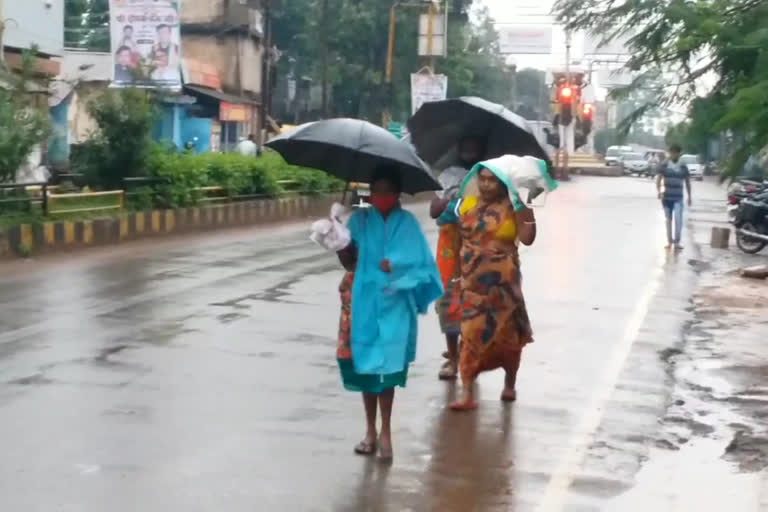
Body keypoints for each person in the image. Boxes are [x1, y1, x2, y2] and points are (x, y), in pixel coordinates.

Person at [337, 167, 443, 461]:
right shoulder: (359, 221)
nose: (380, 197)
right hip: (364, 303)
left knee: (390, 370)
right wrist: (337, 236)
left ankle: (386, 432)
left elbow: (424, 266)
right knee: (368, 370)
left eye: (386, 191)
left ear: (397, 194)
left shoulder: (408, 223)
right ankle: (370, 430)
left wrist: (396, 265)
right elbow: (348, 262)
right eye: (376, 191)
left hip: (397, 306)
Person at [449, 164, 537, 411]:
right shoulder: (467, 204)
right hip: (472, 284)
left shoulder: (514, 206)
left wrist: (526, 207)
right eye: (483, 179)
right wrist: (456, 278)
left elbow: (528, 238)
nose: (487, 184)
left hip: (504, 288)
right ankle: (467, 392)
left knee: (508, 339)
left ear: (503, 183)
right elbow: (458, 241)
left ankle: (510, 383)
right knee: (470, 335)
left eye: (493, 180)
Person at [429, 136, 485, 380]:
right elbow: (434, 210)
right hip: (449, 249)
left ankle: (468, 354)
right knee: (448, 302)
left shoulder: (488, 176)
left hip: (477, 247)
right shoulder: (448, 175)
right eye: (465, 144)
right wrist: (450, 199)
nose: (470, 148)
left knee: (474, 303)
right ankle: (453, 358)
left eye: (474, 144)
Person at [656, 144, 692, 250]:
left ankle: (677, 242)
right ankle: (669, 242)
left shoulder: (683, 166)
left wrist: (689, 196)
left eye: (676, 152)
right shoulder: (665, 165)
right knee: (668, 220)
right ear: (670, 152)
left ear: (679, 153)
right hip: (666, 198)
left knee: (678, 219)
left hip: (678, 198)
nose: (673, 154)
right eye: (672, 152)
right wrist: (659, 191)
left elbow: (687, 181)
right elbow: (658, 179)